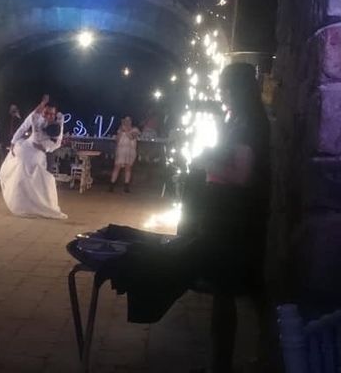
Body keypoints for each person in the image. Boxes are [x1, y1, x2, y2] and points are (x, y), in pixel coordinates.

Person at [98, 63, 271, 372]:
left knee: (225, 288)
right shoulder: (241, 119)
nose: (222, 95)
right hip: (227, 213)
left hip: (232, 218)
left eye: (225, 89)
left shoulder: (248, 124)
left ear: (237, 89)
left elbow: (242, 175)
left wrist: (208, 162)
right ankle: (239, 358)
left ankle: (225, 363)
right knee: (232, 290)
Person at [0, 94, 66, 219]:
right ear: (43, 111)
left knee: (44, 180)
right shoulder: (35, 117)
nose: (48, 116)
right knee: (21, 176)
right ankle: (22, 205)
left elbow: (57, 143)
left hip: (40, 154)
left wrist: (45, 148)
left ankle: (44, 206)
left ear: (55, 114)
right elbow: (22, 127)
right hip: (26, 148)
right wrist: (13, 142)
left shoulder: (58, 123)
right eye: (46, 113)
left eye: (51, 114)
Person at [109, 116, 140, 192]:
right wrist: (120, 132)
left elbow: (132, 137)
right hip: (121, 150)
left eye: (128, 120)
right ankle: (111, 185)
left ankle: (126, 186)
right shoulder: (120, 129)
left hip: (130, 151)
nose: (127, 122)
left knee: (128, 167)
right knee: (117, 167)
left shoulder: (135, 129)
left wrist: (126, 131)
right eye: (125, 120)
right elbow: (117, 140)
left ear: (131, 121)